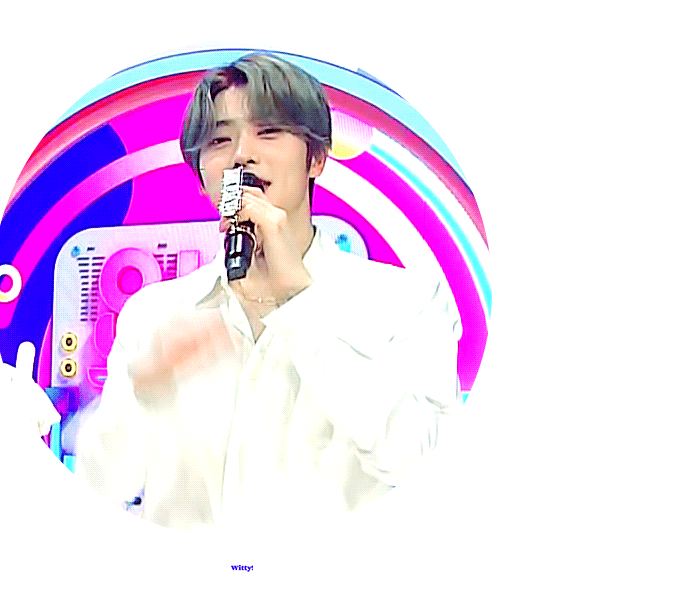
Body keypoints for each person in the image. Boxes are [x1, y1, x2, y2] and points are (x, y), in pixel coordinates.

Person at [71, 52, 463, 536]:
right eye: (219, 140)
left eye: (269, 131)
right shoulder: (154, 314)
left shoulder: (404, 301)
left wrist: (299, 301)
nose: (242, 154)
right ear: (202, 180)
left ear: (315, 159)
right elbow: (98, 489)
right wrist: (142, 393)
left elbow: (423, 464)